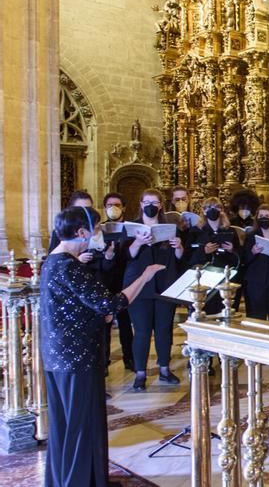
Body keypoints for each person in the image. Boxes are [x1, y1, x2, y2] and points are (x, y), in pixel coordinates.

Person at [42, 206, 165, 487]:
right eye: (96, 228)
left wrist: (100, 313)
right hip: (77, 357)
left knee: (68, 425)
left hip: (61, 355)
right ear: (81, 232)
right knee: (81, 425)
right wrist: (144, 277)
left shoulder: (52, 262)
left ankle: (77, 478)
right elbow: (112, 304)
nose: (99, 234)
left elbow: (79, 306)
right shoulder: (69, 266)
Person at [124, 189, 185, 391]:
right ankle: (140, 372)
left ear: (160, 205)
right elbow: (127, 256)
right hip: (139, 284)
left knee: (163, 329)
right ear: (141, 204)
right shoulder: (131, 228)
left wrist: (179, 247)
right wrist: (138, 242)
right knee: (141, 331)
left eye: (155, 202)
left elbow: (178, 259)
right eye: (147, 201)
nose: (151, 205)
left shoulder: (171, 227)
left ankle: (165, 369)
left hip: (165, 283)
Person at [187, 197, 242, 315]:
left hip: (225, 276)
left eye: (217, 207)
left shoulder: (230, 231)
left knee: (224, 311)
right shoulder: (195, 231)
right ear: (204, 211)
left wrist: (232, 250)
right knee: (207, 311)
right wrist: (204, 251)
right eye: (209, 208)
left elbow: (239, 257)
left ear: (222, 210)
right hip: (205, 277)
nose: (213, 210)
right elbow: (188, 257)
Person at [100, 193, 133, 371]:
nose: (113, 208)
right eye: (110, 205)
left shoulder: (130, 228)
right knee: (105, 323)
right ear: (105, 208)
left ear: (124, 207)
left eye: (117, 204)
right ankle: (104, 360)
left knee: (126, 322)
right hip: (106, 280)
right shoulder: (99, 229)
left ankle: (130, 358)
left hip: (125, 278)